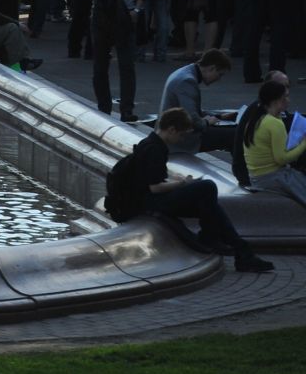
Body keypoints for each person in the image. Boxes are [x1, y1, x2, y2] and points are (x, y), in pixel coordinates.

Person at [105, 108, 272, 273]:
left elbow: (150, 182)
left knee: (209, 205)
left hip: (143, 201)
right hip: (147, 204)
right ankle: (227, 245)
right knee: (207, 187)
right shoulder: (154, 149)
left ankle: (239, 250)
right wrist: (183, 183)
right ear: (171, 130)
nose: (181, 139)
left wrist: (178, 183)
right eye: (181, 134)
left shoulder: (151, 144)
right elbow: (154, 188)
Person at [79, 0, 149, 120]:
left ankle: (127, 109)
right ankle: (104, 107)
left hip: (126, 18)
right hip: (101, 18)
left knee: (127, 65)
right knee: (100, 66)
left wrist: (137, 9)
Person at [239, 78, 306, 206]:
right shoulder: (274, 123)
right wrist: (304, 143)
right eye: (285, 97)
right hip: (273, 177)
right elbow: (281, 159)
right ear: (276, 100)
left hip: (257, 177)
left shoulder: (256, 118)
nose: (288, 100)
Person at [159, 49, 237, 152]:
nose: (219, 79)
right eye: (220, 74)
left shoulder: (186, 72)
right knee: (237, 134)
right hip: (180, 137)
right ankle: (240, 167)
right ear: (212, 68)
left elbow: (191, 110)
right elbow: (193, 121)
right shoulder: (187, 81)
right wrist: (206, 122)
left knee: (230, 132)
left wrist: (218, 116)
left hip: (176, 130)